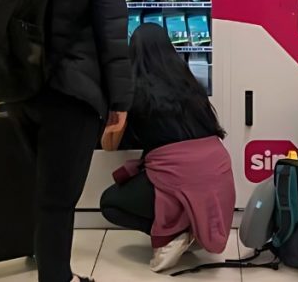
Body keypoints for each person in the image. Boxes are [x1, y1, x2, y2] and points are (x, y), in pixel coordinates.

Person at [12, 0, 133, 282]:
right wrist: (120, 102)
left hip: (24, 90)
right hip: (73, 95)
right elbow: (113, 36)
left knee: (42, 188)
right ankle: (55, 276)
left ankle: (45, 263)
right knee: (60, 199)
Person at [99, 24, 235, 273]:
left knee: (109, 203)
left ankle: (175, 233)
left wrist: (113, 107)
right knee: (169, 184)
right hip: (217, 170)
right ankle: (191, 228)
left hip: (179, 173)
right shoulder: (190, 84)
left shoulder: (132, 89)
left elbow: (109, 145)